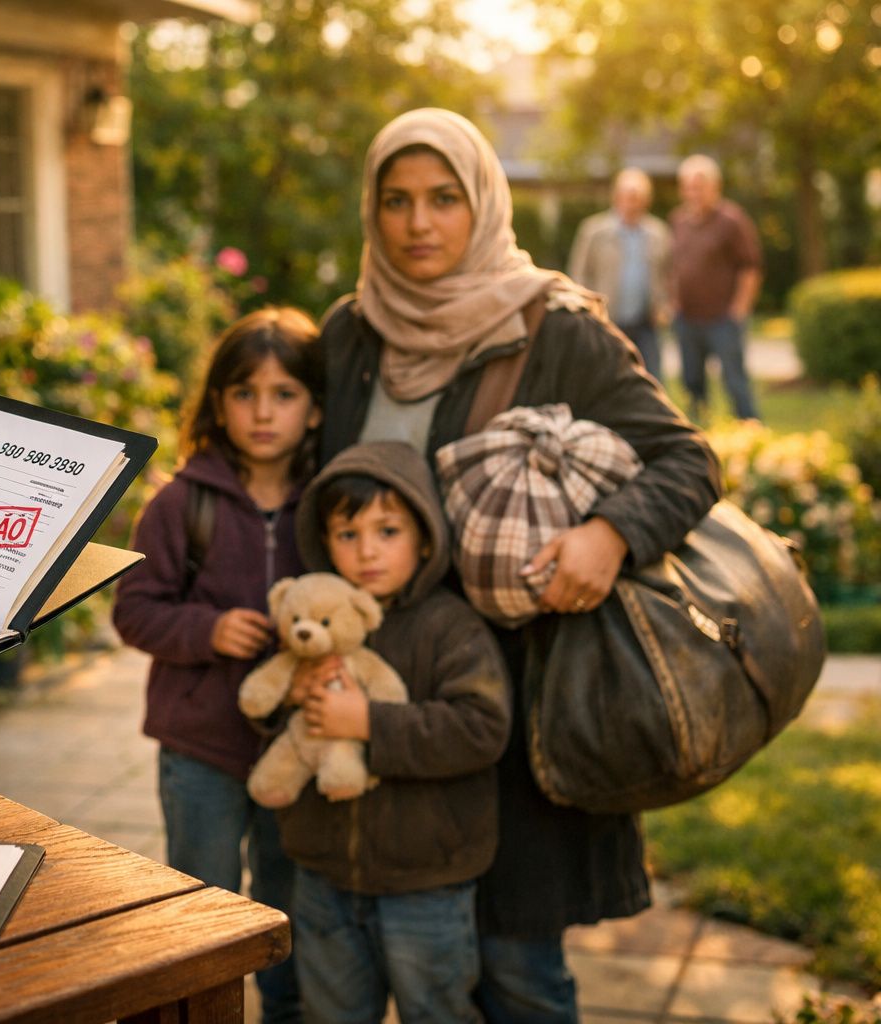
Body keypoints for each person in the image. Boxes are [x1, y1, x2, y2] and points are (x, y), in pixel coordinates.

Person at [310, 109, 720, 1022]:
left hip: (518, 721)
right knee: (378, 975)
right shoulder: (351, 336)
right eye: (397, 201)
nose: (419, 224)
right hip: (381, 713)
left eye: (444, 199)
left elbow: (689, 460)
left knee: (516, 976)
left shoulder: (557, 330)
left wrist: (610, 534)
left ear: (483, 202)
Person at [112, 306, 323, 1024]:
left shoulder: (329, 506)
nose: (264, 412)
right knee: (202, 906)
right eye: (244, 393)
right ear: (219, 403)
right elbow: (133, 611)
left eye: (284, 393)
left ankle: (287, 1012)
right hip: (199, 750)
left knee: (287, 904)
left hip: (298, 750)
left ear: (316, 406)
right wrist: (207, 630)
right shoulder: (180, 504)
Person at [279, 441, 509, 1024]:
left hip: (426, 879)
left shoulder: (449, 626)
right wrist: (291, 704)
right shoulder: (316, 624)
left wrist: (369, 724)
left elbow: (482, 727)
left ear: (425, 538)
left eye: (388, 531)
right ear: (323, 541)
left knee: (436, 1010)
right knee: (331, 1012)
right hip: (325, 870)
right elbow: (281, 725)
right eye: (347, 534)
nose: (367, 552)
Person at [669, 154, 764, 422]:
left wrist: (739, 309)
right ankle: (699, 434)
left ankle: (749, 431)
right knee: (692, 381)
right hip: (687, 319)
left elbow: (751, 267)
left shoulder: (732, 220)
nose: (693, 192)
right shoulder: (678, 220)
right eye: (688, 186)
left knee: (734, 380)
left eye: (699, 186)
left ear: (715, 186)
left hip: (723, 318)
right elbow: (673, 266)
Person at [567, 168, 672, 381]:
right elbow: (579, 274)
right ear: (616, 197)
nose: (632, 204)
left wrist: (664, 306)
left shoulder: (658, 233)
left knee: (651, 379)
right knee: (605, 377)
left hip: (646, 324)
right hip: (607, 320)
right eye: (628, 197)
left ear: (646, 200)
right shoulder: (594, 231)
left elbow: (669, 274)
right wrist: (586, 310)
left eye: (637, 198)